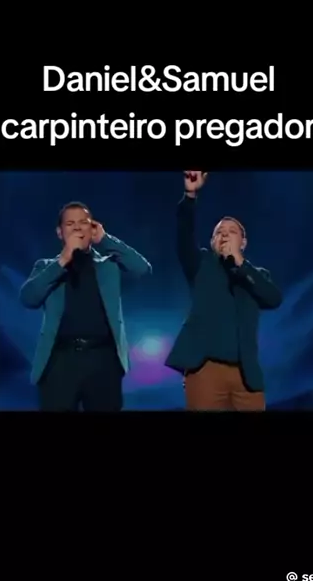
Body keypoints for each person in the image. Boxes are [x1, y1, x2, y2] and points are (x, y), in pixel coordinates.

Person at [165, 171, 282, 410]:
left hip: (246, 376)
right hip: (206, 370)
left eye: (232, 231)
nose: (225, 234)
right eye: (219, 232)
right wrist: (190, 195)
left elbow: (273, 299)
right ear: (212, 242)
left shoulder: (256, 275)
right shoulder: (201, 264)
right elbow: (184, 235)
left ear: (243, 243)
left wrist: (240, 263)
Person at [20, 201, 151, 411]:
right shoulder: (46, 267)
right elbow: (28, 298)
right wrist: (63, 260)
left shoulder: (109, 266)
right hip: (60, 361)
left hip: (103, 360)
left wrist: (105, 240)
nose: (77, 228)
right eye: (70, 224)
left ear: (93, 229)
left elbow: (142, 269)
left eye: (83, 222)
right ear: (60, 232)